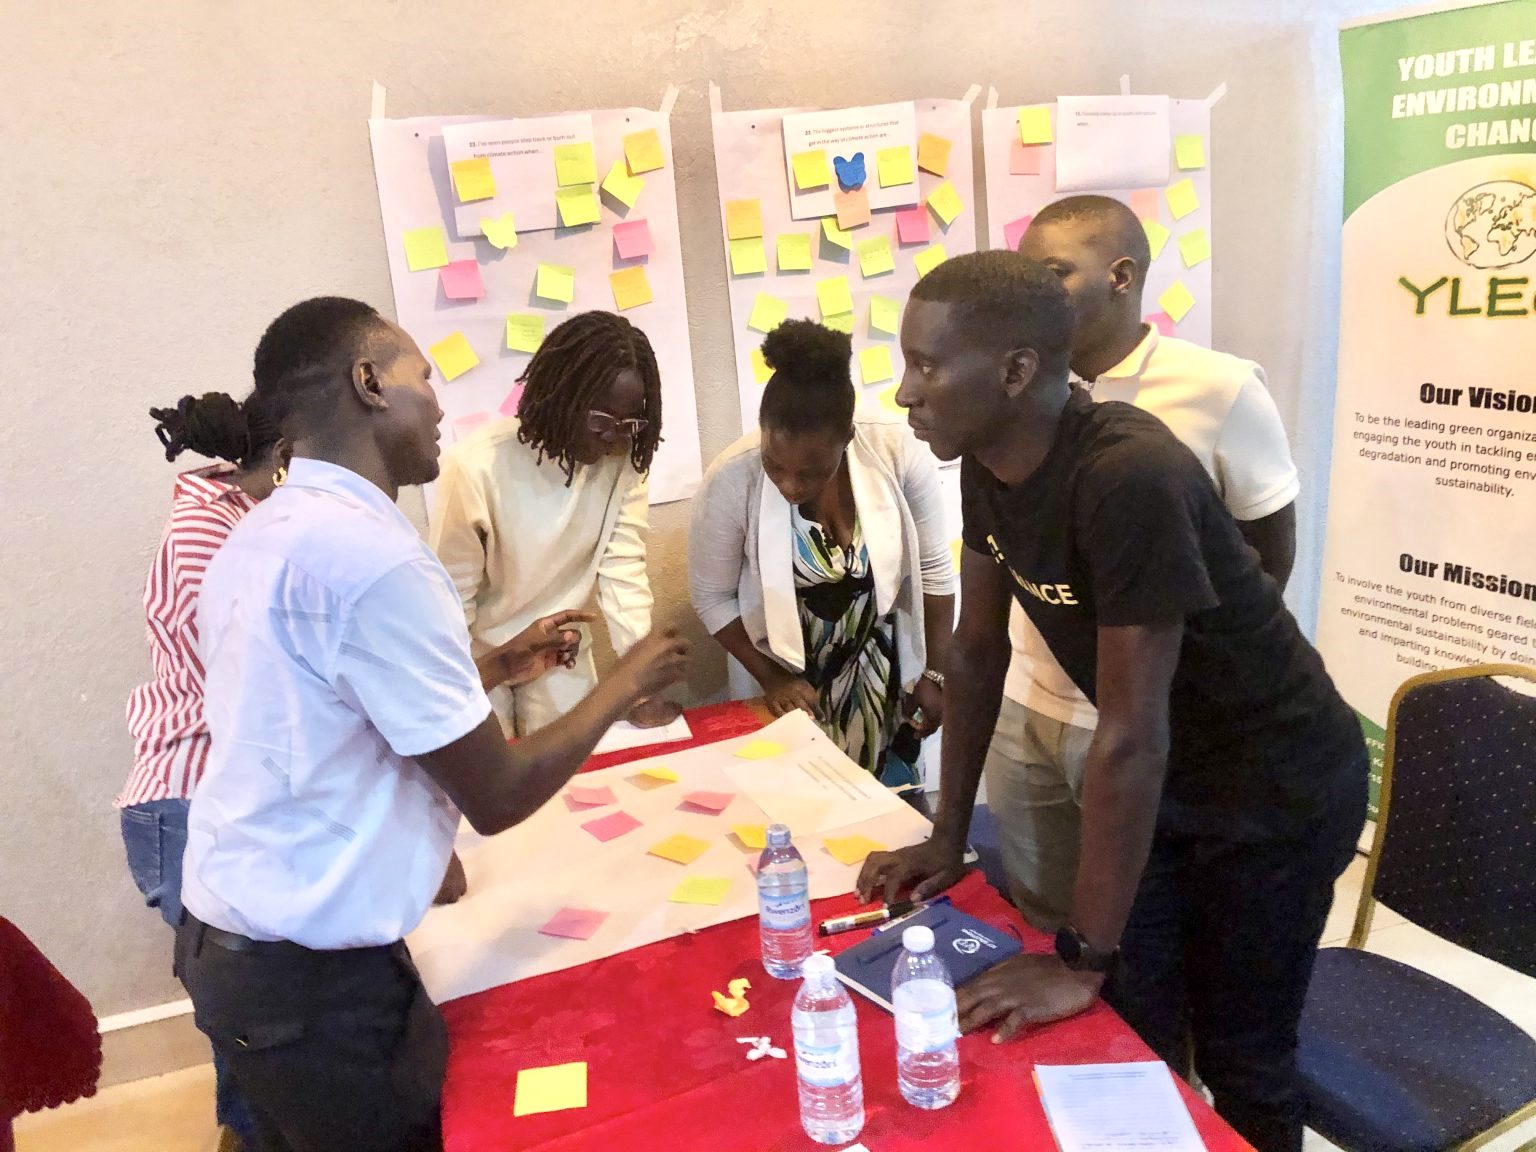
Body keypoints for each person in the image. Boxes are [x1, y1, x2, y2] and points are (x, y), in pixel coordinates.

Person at [859, 253, 1367, 1152]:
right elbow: (974, 655)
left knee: (1243, 1056)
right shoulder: (988, 462)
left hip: (1278, 789)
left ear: (1017, 372)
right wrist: (947, 833)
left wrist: (1081, 955)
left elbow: (1131, 736)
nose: (906, 392)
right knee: (1138, 1025)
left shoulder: (1130, 475)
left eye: (927, 365)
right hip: (1176, 783)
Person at [174, 297, 689, 1152]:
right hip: (304, 981)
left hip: (241, 947)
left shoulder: (271, 532)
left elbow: (326, 715)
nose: (441, 402)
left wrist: (496, 665)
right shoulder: (372, 559)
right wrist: (627, 680)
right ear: (369, 382)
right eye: (424, 375)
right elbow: (499, 792)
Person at [987, 194, 1302, 930]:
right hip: (1030, 701)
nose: (1034, 294)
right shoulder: (1023, 393)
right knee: (1041, 922)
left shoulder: (1219, 387)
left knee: (1149, 932)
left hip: (1151, 717)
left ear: (1122, 276)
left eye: (1054, 273)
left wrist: (1191, 687)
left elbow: (1267, 557)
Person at [120, 390, 288, 1151]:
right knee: (247, 1013)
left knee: (253, 1012)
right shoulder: (205, 530)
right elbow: (247, 675)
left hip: (211, 796)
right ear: (285, 458)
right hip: (182, 805)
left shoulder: (239, 515)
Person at [689, 320, 955, 783]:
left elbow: (934, 569)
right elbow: (711, 597)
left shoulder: (895, 449)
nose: (791, 485)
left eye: (811, 472)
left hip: (882, 685)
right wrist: (771, 678)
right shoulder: (734, 478)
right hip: (789, 690)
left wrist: (937, 673)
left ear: (847, 438)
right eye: (776, 465)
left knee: (890, 822)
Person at [430, 311, 680, 736]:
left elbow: (624, 575)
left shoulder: (624, 464)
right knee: (492, 789)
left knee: (573, 785)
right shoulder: (476, 467)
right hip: (481, 661)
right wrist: (483, 672)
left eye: (629, 424)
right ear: (561, 399)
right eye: (600, 421)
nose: (612, 438)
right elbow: (450, 605)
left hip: (560, 655)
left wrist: (638, 684)